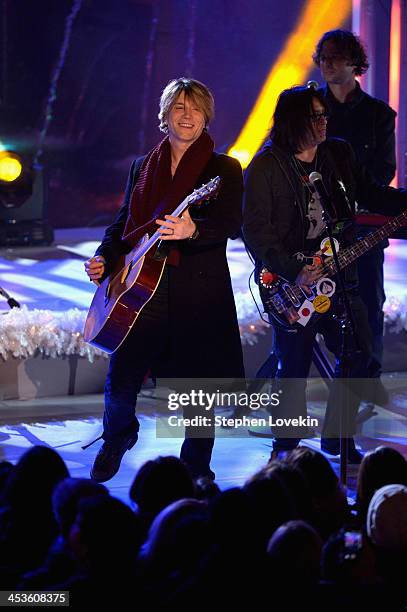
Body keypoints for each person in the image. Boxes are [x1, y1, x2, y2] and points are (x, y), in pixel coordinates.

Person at [84, 77, 244, 482]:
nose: (187, 115)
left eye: (194, 108)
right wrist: (105, 258)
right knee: (121, 377)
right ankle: (117, 438)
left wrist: (193, 231)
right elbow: (124, 224)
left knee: (198, 389)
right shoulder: (143, 165)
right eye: (178, 107)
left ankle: (196, 467)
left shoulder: (224, 168)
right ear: (164, 116)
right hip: (140, 290)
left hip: (197, 292)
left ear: (206, 117)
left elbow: (230, 222)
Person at [243, 84, 406, 462]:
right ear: (292, 120)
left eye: (324, 115)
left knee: (360, 353)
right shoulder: (267, 166)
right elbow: (255, 231)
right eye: (314, 116)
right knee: (294, 366)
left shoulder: (338, 154)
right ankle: (285, 451)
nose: (323, 122)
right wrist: (295, 270)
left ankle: (337, 437)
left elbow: (373, 193)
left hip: (340, 279)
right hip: (290, 284)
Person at [313, 29, 396, 380]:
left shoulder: (378, 114)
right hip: (315, 223)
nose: (327, 64)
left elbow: (385, 169)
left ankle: (366, 378)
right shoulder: (308, 107)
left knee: (368, 303)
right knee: (314, 304)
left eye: (335, 56)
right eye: (323, 57)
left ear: (354, 62)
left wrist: (350, 177)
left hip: (362, 226)